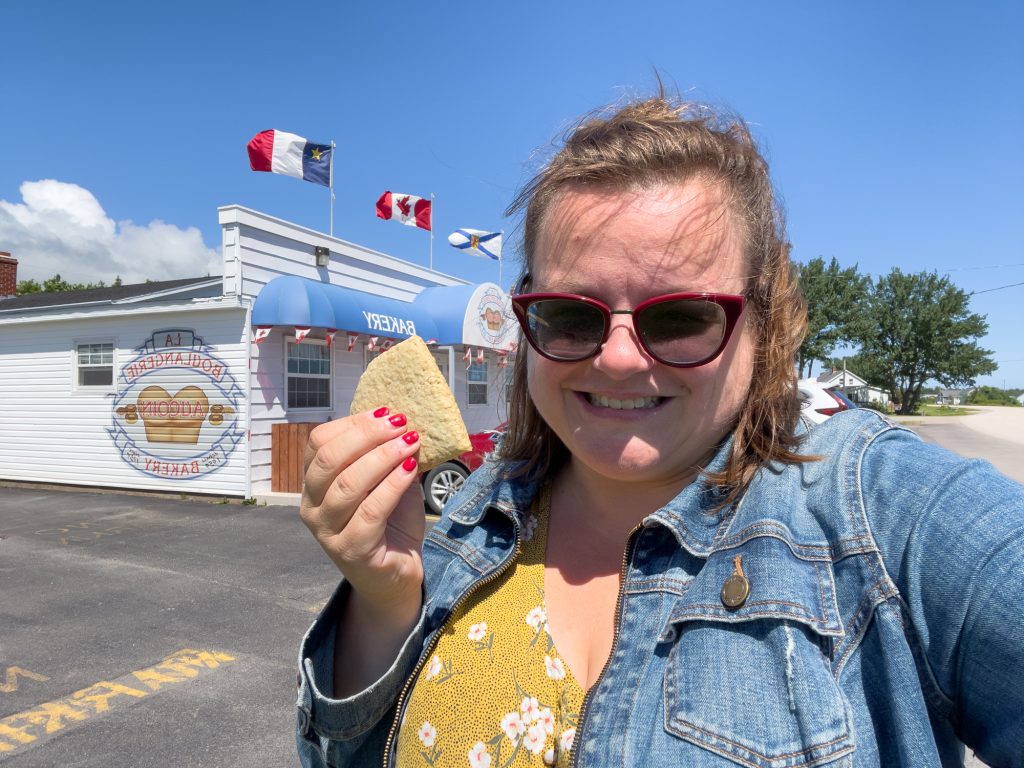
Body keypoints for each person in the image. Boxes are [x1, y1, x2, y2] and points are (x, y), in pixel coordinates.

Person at [295, 92, 1024, 767]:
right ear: (528, 317)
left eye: (678, 317)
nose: (615, 357)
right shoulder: (475, 508)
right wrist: (384, 600)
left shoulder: (882, 511)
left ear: (762, 325)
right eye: (572, 315)